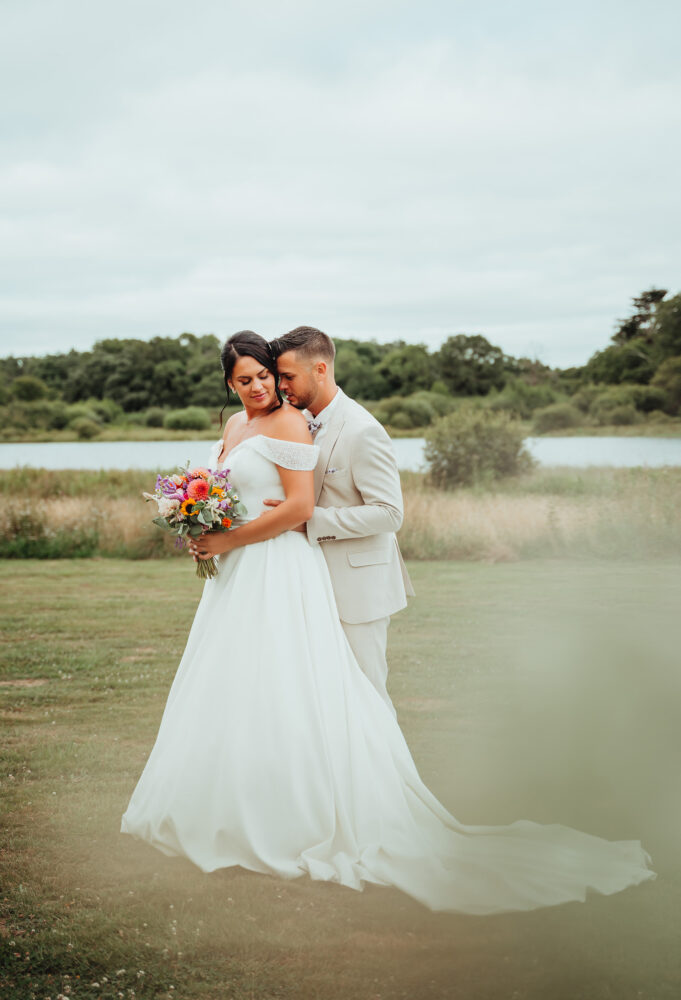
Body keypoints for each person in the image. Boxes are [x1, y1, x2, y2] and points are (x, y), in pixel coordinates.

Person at [120, 330, 654, 915]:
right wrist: (200, 527)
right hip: (253, 576)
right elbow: (237, 490)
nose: (268, 386)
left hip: (321, 575)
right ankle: (243, 807)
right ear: (229, 382)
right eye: (248, 378)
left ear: (312, 371)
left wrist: (237, 535)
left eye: (275, 376)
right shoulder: (250, 424)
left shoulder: (347, 427)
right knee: (254, 690)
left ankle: (353, 814)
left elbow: (361, 511)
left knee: (353, 705)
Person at [265, 325, 413, 716]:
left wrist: (309, 519)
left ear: (320, 369)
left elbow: (389, 513)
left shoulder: (362, 430)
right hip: (310, 581)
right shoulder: (295, 422)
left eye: (287, 376)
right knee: (322, 697)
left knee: (367, 694)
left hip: (358, 589)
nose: (281, 386)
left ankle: (386, 777)